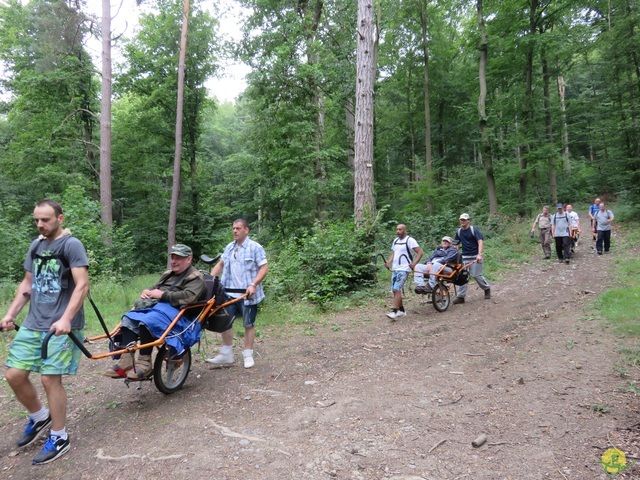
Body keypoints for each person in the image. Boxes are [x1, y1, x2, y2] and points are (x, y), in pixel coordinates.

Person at [0, 200, 89, 465]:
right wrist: (11, 314)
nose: (40, 224)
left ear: (59, 218)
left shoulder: (71, 245)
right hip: (33, 323)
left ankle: (59, 436)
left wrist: (66, 319)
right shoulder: (36, 246)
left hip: (60, 326)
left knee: (50, 379)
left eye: (46, 220)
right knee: (14, 374)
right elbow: (28, 283)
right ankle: (40, 416)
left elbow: (82, 285)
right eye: (37, 219)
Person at [104, 244, 205, 380]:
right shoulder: (168, 274)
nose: (174, 261)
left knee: (148, 321)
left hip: (177, 312)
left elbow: (189, 297)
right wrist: (147, 292)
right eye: (173, 257)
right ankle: (126, 359)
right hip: (157, 308)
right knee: (128, 319)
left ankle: (145, 364)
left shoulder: (195, 277)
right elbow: (155, 289)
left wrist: (162, 295)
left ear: (189, 259)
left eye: (178, 258)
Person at [206, 219, 268, 368]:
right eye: (233, 228)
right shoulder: (229, 247)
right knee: (224, 322)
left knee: (248, 324)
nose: (235, 231)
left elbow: (264, 268)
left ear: (246, 230)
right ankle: (227, 354)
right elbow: (221, 264)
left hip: (247, 294)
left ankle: (248, 354)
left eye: (238, 228)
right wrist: (209, 281)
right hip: (228, 293)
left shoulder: (255, 247)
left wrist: (253, 284)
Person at [383, 224, 423, 320]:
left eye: (400, 229)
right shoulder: (396, 241)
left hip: (404, 269)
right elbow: (394, 253)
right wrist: (389, 262)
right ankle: (401, 310)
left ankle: (394, 311)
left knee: (397, 289)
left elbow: (420, 252)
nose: (398, 231)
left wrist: (414, 263)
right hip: (395, 268)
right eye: (397, 229)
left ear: (405, 230)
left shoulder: (410, 240)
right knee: (394, 290)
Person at [452, 213, 491, 304]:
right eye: (461, 220)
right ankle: (461, 297)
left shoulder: (474, 230)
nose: (462, 221)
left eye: (464, 220)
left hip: (475, 256)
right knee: (462, 276)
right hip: (464, 257)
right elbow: (455, 244)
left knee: (477, 275)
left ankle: (486, 288)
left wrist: (479, 254)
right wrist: (455, 253)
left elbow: (480, 242)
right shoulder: (458, 232)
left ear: (468, 221)